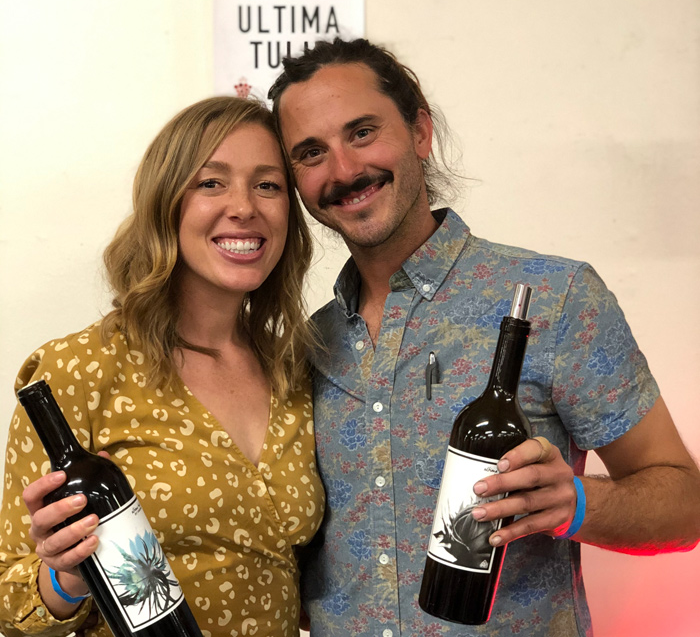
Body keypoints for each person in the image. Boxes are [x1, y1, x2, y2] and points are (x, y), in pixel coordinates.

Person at [268, 38, 700, 636]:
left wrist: (574, 502)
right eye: (311, 153)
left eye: (363, 132)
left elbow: (686, 503)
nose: (344, 170)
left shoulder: (557, 298)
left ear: (420, 131)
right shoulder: (306, 348)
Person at [0, 96, 325, 637]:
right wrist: (66, 579)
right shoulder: (76, 369)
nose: (244, 206)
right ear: (164, 202)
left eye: (268, 185)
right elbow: (8, 602)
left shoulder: (295, 368)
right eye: (212, 183)